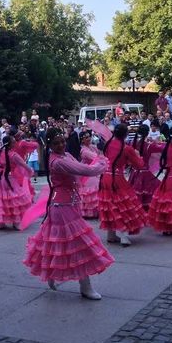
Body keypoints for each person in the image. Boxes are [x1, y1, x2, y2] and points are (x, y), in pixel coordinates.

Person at [23, 128, 113, 300]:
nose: (61, 145)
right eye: (56, 143)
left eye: (62, 141)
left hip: (69, 204)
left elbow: (81, 167)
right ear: (49, 145)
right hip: (61, 206)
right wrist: (102, 159)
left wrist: (97, 158)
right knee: (77, 245)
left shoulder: (66, 156)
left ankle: (51, 274)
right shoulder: (57, 162)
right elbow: (87, 171)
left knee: (55, 244)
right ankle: (85, 286)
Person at [98, 124, 147, 247]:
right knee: (123, 205)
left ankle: (111, 234)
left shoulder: (108, 143)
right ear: (125, 135)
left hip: (105, 177)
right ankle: (124, 235)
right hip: (117, 178)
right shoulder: (127, 148)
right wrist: (138, 155)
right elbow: (139, 165)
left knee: (110, 205)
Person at [0, 135, 34, 230]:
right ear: (10, 145)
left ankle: (2, 223)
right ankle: (16, 222)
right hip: (10, 179)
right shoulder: (13, 155)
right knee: (15, 199)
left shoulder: (0, 152)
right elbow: (23, 165)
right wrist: (30, 171)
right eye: (14, 142)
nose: (15, 143)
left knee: (3, 199)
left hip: (1, 179)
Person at [129, 124, 165, 210]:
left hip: (134, 172)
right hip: (145, 172)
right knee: (157, 188)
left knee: (137, 192)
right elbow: (163, 149)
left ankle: (138, 208)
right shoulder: (149, 145)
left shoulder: (132, 143)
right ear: (147, 133)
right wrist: (158, 143)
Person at [78, 131, 100, 218]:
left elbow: (99, 153)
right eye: (86, 138)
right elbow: (97, 157)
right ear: (82, 140)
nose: (88, 139)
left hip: (93, 170)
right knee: (92, 189)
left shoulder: (91, 147)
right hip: (88, 171)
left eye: (89, 137)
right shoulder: (84, 151)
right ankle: (90, 211)